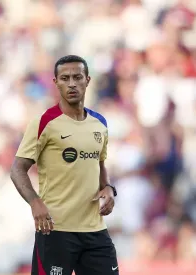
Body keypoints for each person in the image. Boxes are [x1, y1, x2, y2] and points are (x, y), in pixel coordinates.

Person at [10, 55, 119, 275]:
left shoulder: (100, 124)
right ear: (56, 82)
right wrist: (34, 202)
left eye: (77, 77)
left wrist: (108, 188)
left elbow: (99, 164)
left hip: (95, 231)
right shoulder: (44, 123)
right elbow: (17, 169)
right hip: (55, 230)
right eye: (65, 78)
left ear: (87, 80)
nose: (71, 83)